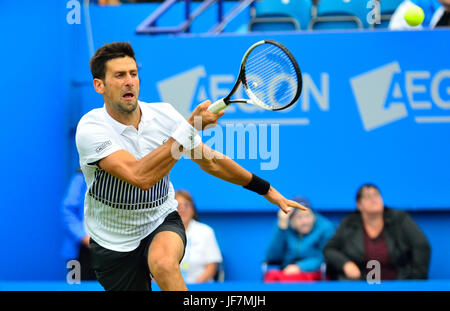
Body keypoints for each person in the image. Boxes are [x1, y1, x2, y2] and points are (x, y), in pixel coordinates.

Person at [75, 41, 307, 291]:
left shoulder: (163, 116)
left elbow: (210, 162)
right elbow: (140, 176)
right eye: (120, 75)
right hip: (113, 242)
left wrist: (266, 189)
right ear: (99, 85)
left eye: (133, 74)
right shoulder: (92, 129)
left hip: (159, 220)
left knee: (164, 264)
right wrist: (191, 126)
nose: (130, 81)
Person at [323, 183, 431, 281]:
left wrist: (415, 281)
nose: (373, 199)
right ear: (359, 204)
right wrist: (345, 264)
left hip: (398, 283)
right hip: (361, 284)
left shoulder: (399, 219)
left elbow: (422, 245)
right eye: (367, 196)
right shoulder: (348, 224)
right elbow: (329, 249)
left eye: (376, 195)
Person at [264, 196, 335, 282]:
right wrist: (281, 227)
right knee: (271, 277)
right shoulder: (285, 225)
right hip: (287, 272)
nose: (305, 221)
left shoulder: (325, 228)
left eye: (308, 216)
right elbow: (272, 257)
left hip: (313, 272)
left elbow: (327, 255)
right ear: (291, 220)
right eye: (299, 217)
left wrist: (300, 267)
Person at [175, 190, 223, 283]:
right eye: (178, 205)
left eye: (187, 205)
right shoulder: (163, 233)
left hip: (201, 286)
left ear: (193, 209)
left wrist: (194, 287)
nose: (182, 209)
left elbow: (212, 266)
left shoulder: (206, 231)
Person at [61, 169, 96, 281]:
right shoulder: (80, 178)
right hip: (81, 250)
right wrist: (84, 237)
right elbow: (67, 211)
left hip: (111, 252)